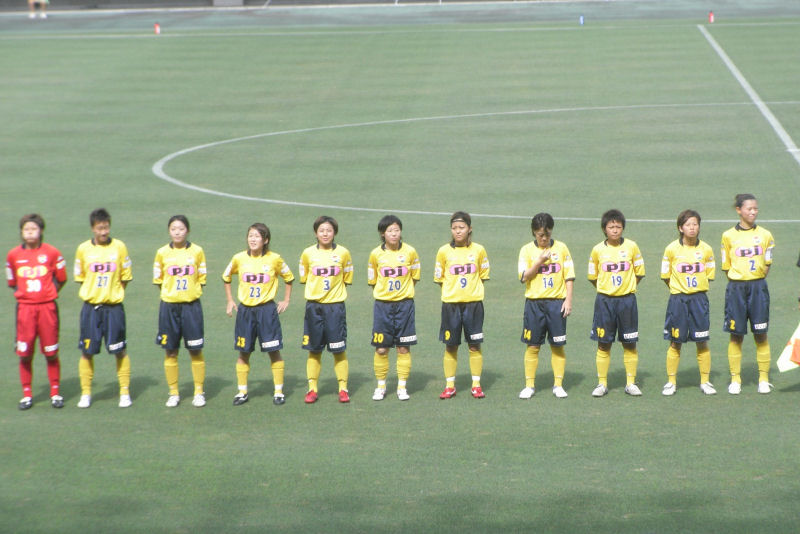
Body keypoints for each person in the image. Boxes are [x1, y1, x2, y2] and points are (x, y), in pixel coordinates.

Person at [223, 223, 293, 406]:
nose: (253, 239)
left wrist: (286, 300)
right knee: (243, 352)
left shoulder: (274, 259)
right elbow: (226, 277)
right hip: (245, 312)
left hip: (267, 311)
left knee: (273, 351)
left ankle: (278, 392)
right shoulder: (239, 258)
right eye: (250, 236)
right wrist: (230, 300)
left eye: (257, 236)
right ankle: (242, 392)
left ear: (265, 240)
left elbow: (289, 277)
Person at [6, 214, 67, 410]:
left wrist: (48, 294)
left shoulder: (52, 253)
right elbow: (12, 282)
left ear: (41, 231)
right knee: (25, 353)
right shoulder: (13, 255)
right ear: (21, 232)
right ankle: (27, 395)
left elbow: (61, 278)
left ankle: (55, 393)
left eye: (34, 229)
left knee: (51, 352)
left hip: (47, 309)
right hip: (25, 310)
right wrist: (27, 296)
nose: (30, 232)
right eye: (26, 229)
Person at [74, 208, 133, 408]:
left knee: (120, 350)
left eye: (106, 227)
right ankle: (86, 393)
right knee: (87, 351)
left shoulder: (119, 247)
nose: (104, 232)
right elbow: (80, 278)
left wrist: (113, 294)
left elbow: (125, 277)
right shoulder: (83, 249)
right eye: (100, 228)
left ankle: (124, 392)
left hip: (114, 308)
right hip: (90, 309)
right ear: (93, 228)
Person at [721, 193, 775, 394]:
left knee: (761, 334)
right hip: (736, 289)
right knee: (736, 335)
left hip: (758, 288)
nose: (753, 212)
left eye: (755, 208)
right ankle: (735, 379)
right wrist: (740, 279)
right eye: (749, 209)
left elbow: (767, 263)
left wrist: (755, 279)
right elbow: (726, 266)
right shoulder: (728, 236)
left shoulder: (766, 235)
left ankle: (763, 379)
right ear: (739, 210)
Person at [588, 209, 645, 397]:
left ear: (623, 228)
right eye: (611, 227)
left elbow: (639, 273)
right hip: (604, 302)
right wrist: (608, 290)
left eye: (618, 227)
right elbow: (593, 277)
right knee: (603, 344)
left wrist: (626, 288)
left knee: (629, 343)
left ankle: (630, 383)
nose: (615, 230)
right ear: (604, 229)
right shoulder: (597, 250)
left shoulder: (632, 247)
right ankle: (602, 384)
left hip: (627, 302)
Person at [434, 211, 490, 399]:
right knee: (451, 346)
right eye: (454, 228)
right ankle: (450, 385)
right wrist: (453, 293)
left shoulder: (479, 250)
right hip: (450, 306)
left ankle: (476, 385)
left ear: (469, 229)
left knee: (474, 345)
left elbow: (483, 276)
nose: (457, 231)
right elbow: (440, 279)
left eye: (461, 227)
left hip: (473, 305)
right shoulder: (443, 251)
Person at [517, 213, 574, 400]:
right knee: (533, 346)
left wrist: (568, 300)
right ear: (534, 232)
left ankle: (558, 385)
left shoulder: (562, 248)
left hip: (556, 303)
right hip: (534, 304)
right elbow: (524, 277)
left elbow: (569, 276)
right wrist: (539, 262)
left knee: (557, 346)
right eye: (540, 235)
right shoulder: (526, 250)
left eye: (547, 234)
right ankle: (529, 386)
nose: (544, 238)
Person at [660, 210, 716, 396]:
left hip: (699, 300)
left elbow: (709, 275)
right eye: (688, 225)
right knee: (675, 342)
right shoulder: (671, 249)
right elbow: (666, 276)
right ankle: (671, 382)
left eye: (695, 224)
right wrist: (679, 289)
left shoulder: (706, 249)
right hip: (678, 300)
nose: (692, 228)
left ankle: (705, 381)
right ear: (680, 228)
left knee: (702, 341)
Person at [153, 215, 207, 408]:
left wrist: (187, 294)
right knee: (170, 351)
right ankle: (174, 393)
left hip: (191, 307)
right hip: (169, 308)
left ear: (188, 231)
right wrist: (173, 295)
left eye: (181, 229)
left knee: (195, 350)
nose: (177, 232)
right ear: (169, 231)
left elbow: (201, 279)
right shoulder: (161, 253)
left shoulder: (197, 251)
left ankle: (199, 392)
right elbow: (159, 281)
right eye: (173, 229)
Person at [299, 215, 353, 403]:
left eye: (329, 230)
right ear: (316, 233)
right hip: (314, 307)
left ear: (334, 233)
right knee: (314, 349)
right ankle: (312, 389)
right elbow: (304, 277)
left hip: (335, 308)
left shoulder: (343, 253)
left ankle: (343, 389)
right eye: (321, 230)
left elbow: (347, 278)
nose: (325, 234)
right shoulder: (307, 254)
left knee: (338, 349)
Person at [367, 215, 421, 401]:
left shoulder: (410, 252)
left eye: (396, 230)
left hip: (405, 306)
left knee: (403, 348)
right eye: (390, 231)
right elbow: (373, 281)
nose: (394, 234)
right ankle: (381, 386)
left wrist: (402, 294)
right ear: (383, 234)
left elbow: (415, 277)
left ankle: (402, 387)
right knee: (381, 349)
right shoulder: (375, 254)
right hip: (382, 306)